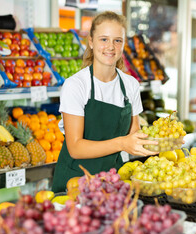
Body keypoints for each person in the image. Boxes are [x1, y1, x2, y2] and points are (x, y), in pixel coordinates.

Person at [52, 11, 158, 193]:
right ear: (91, 42)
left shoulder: (130, 85)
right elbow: (76, 148)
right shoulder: (76, 85)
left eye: (117, 40)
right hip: (76, 182)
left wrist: (164, 141)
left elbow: (134, 137)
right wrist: (122, 143)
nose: (111, 47)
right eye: (104, 39)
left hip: (112, 180)